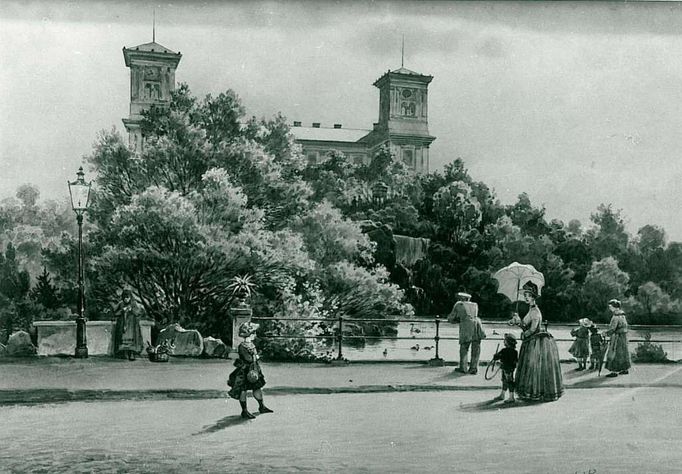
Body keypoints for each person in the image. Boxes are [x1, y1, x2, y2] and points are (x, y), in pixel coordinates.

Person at [512, 282, 564, 402]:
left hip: (536, 342)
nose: (526, 297)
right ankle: (530, 392)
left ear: (533, 297)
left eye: (528, 295)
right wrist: (517, 321)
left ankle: (535, 393)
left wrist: (523, 333)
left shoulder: (535, 312)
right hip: (531, 341)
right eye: (525, 295)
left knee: (534, 367)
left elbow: (532, 330)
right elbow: (525, 325)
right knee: (531, 367)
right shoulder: (531, 310)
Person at [227, 321, 273, 419]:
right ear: (249, 334)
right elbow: (248, 358)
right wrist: (255, 356)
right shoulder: (242, 346)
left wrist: (255, 356)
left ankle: (261, 406)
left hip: (254, 369)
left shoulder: (251, 344)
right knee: (243, 390)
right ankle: (244, 411)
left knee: (257, 387)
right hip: (245, 370)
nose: (255, 335)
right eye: (253, 333)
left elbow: (254, 356)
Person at [448, 292, 487, 374]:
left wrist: (458, 320)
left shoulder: (459, 305)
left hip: (466, 326)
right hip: (477, 325)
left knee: (464, 347)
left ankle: (463, 367)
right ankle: (473, 368)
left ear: (461, 298)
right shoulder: (475, 305)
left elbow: (451, 318)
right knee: (476, 348)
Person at [112, 288, 144, 361]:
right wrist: (122, 311)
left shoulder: (134, 304)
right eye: (124, 298)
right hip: (123, 324)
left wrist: (131, 310)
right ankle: (125, 353)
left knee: (132, 339)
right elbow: (115, 313)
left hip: (132, 325)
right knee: (123, 338)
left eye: (127, 298)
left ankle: (132, 354)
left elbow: (138, 313)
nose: (126, 299)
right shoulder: (120, 304)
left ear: (130, 297)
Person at [604, 299, 631, 378]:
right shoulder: (622, 315)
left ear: (615, 307)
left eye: (610, 307)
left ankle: (614, 371)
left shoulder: (615, 317)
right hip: (623, 337)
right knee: (623, 353)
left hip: (617, 337)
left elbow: (613, 328)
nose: (610, 308)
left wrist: (606, 333)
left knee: (614, 352)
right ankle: (624, 369)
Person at [493, 333, 518, 404]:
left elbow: (498, 357)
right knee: (505, 381)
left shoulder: (504, 350)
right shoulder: (514, 351)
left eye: (505, 340)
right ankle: (503, 395)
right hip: (508, 368)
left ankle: (511, 397)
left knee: (509, 382)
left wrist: (496, 356)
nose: (504, 342)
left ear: (508, 342)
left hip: (507, 368)